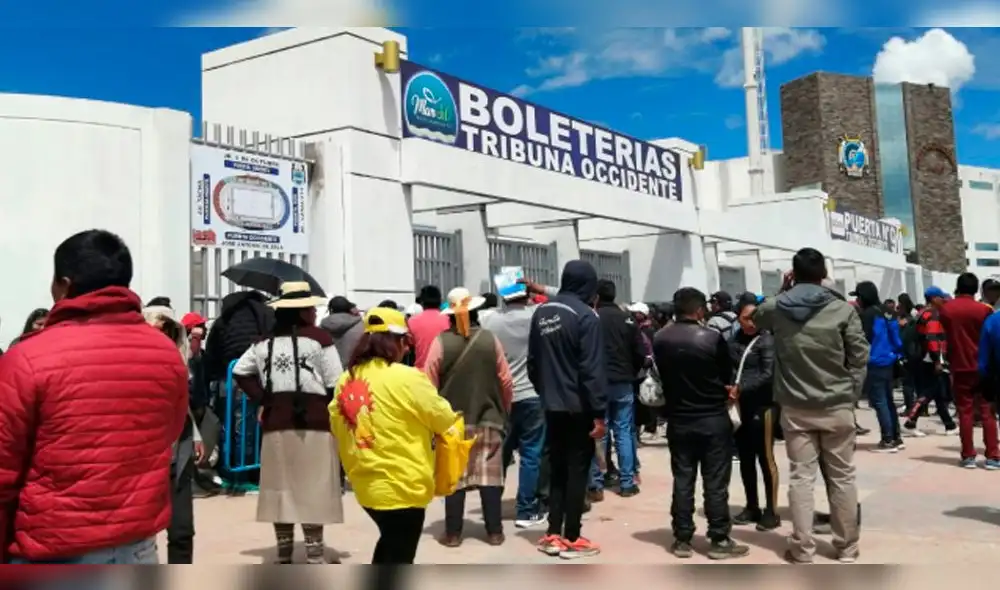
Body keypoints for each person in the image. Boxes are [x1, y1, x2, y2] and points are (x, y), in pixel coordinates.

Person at [0, 229, 188, 564]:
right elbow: (168, 435)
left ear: (65, 284)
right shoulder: (166, 353)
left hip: (55, 549)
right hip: (138, 544)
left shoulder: (28, 358)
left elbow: (4, 470)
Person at [753, 248, 867, 564]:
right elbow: (859, 355)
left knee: (802, 477)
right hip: (837, 404)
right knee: (843, 476)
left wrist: (782, 290)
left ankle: (803, 549)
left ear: (793, 273)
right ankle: (847, 547)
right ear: (824, 274)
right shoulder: (842, 309)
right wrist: (851, 393)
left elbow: (755, 318)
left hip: (796, 406)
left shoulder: (777, 307)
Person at [329, 307, 458, 564]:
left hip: (366, 486)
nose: (408, 348)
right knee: (400, 553)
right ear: (395, 341)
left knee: (390, 544)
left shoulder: (347, 379)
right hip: (404, 488)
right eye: (406, 341)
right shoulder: (408, 378)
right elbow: (443, 418)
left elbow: (336, 422)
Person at [232, 282, 345, 564]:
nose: (314, 312)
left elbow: (240, 371)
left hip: (276, 422)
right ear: (304, 311)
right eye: (311, 308)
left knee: (279, 489)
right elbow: (335, 381)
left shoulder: (263, 342)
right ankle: (314, 554)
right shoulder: (320, 339)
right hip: (315, 422)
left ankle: (284, 554)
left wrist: (265, 399)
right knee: (312, 488)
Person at [654, 287, 748, 560]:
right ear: (698, 310)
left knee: (683, 479)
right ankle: (719, 538)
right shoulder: (712, 338)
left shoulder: (661, 338)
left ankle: (682, 538)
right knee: (715, 482)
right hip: (711, 419)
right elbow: (725, 375)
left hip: (679, 420)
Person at [527, 260, 606, 560]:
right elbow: (592, 370)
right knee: (576, 471)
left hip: (551, 404)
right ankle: (572, 536)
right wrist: (599, 413)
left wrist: (545, 392)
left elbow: (533, 361)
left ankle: (552, 533)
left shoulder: (542, 312)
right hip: (579, 406)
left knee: (557, 469)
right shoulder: (586, 316)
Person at [424, 288, 514, 547]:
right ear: (475, 312)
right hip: (488, 417)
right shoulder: (490, 339)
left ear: (450, 315)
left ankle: (453, 533)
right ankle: (494, 532)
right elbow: (506, 381)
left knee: (455, 478)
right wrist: (504, 409)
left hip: (453, 422)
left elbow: (429, 382)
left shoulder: (440, 342)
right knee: (490, 478)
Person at [482, 286, 548, 529]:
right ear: (525, 293)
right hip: (532, 393)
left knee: (500, 455)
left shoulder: (490, 319)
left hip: (503, 397)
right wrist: (538, 288)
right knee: (531, 454)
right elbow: (564, 295)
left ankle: (492, 508)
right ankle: (525, 510)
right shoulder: (537, 315)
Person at [144, 307, 205, 564]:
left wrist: (197, 435)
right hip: (144, 459)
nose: (163, 337)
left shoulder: (182, 363)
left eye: (168, 331)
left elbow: (188, 404)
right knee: (143, 536)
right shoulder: (133, 363)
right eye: (157, 331)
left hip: (177, 453)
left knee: (181, 531)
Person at [589, 280, 645, 499]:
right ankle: (627, 482)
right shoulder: (627, 319)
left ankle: (597, 482)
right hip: (622, 381)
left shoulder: (591, 318)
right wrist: (631, 372)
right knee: (623, 431)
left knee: (598, 432)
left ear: (596, 297)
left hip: (597, 383)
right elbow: (640, 352)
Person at [729, 300, 780, 532]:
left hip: (764, 407)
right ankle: (752, 506)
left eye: (754, 318)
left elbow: (768, 374)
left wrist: (741, 388)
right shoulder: (733, 341)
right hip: (741, 408)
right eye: (746, 318)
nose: (751, 323)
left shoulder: (767, 340)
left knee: (766, 458)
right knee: (746, 459)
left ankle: (771, 510)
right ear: (738, 317)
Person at [940, 273, 998, 468]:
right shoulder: (984, 310)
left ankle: (968, 455)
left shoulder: (947, 310)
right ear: (976, 290)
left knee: (965, 412)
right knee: (987, 412)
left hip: (959, 366)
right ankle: (993, 456)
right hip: (983, 366)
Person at [852, 281, 904, 453]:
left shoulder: (868, 315)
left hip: (874, 361)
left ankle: (887, 439)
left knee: (879, 401)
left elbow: (864, 339)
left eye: (858, 297)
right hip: (889, 360)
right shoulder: (888, 312)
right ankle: (896, 437)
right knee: (888, 401)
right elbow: (897, 339)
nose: (857, 301)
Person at [903, 286, 958, 436]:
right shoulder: (933, 314)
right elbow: (933, 338)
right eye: (941, 298)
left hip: (923, 358)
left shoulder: (923, 313)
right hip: (931, 358)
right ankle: (910, 421)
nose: (943, 301)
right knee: (929, 391)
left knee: (938, 392)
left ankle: (949, 425)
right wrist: (938, 360)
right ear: (934, 298)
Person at [408, 285, 450, 369]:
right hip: (442, 369)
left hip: (420, 372)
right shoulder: (448, 320)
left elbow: (409, 347)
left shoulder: (412, 321)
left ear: (422, 302)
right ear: (440, 301)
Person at [321, 295, 366, 364]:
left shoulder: (321, 327)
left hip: (330, 370)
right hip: (354, 370)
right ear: (349, 309)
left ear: (331, 310)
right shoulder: (361, 326)